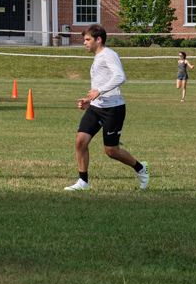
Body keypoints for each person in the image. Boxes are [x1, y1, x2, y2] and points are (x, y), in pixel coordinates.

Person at [64, 24, 149, 191]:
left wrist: (99, 91)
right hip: (96, 107)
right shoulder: (97, 57)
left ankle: (140, 168)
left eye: (87, 39)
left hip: (113, 109)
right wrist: (89, 100)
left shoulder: (109, 54)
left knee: (111, 150)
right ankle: (83, 181)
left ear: (98, 39)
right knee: (80, 141)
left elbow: (120, 76)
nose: (84, 43)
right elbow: (100, 83)